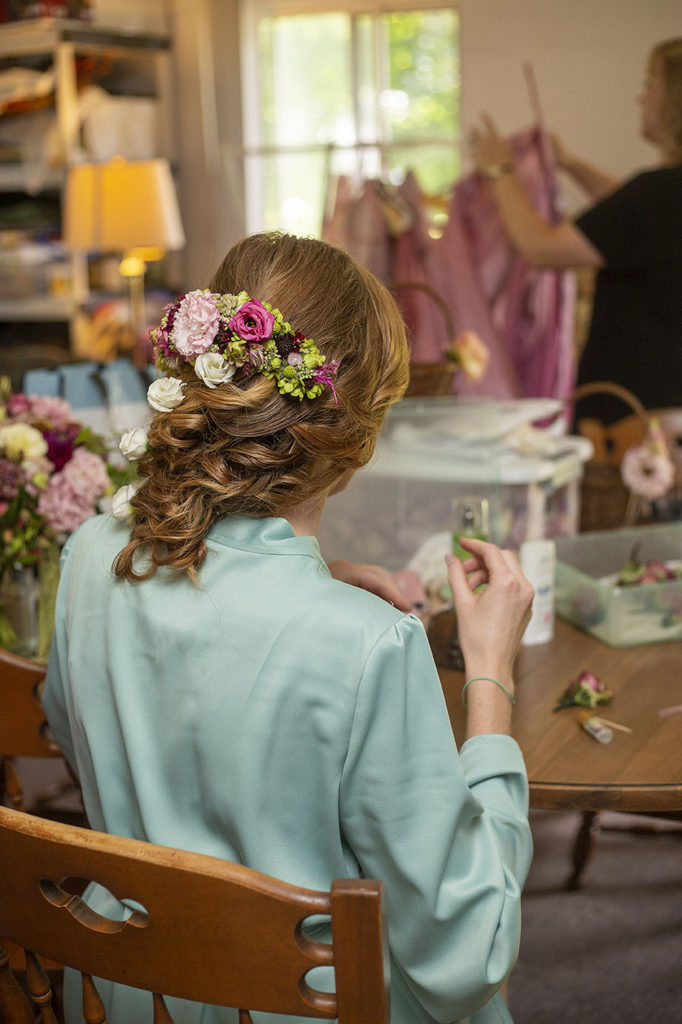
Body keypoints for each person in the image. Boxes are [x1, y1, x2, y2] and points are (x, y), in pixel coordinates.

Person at [42, 231, 534, 1024]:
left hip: (131, 992)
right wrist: (490, 678)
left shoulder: (90, 555)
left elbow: (83, 734)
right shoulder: (369, 644)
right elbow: (467, 947)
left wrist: (319, 587)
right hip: (295, 1004)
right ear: (357, 437)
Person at [469, 37, 682, 425]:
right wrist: (569, 163)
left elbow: (541, 248)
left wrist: (499, 170)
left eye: (650, 84)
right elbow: (628, 214)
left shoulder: (660, 193)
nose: (642, 97)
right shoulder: (663, 197)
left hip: (635, 423)